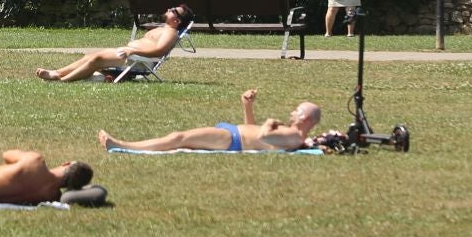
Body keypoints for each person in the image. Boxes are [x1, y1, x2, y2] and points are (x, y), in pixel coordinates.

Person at [99, 88, 321, 153]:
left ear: (305, 118)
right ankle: (122, 145)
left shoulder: (294, 136)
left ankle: (121, 145)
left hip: (230, 139)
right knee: (179, 137)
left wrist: (271, 122)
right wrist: (247, 106)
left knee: (178, 138)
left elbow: (262, 135)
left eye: (296, 111)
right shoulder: (291, 134)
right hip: (232, 132)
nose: (292, 112)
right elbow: (254, 130)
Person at [35, 4, 192, 82]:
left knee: (96, 60)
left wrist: (134, 52)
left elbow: (159, 51)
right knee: (91, 56)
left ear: (177, 20)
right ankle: (58, 73)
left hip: (137, 61)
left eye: (174, 10)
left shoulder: (170, 32)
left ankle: (61, 80)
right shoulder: (163, 28)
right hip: (130, 56)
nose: (170, 9)